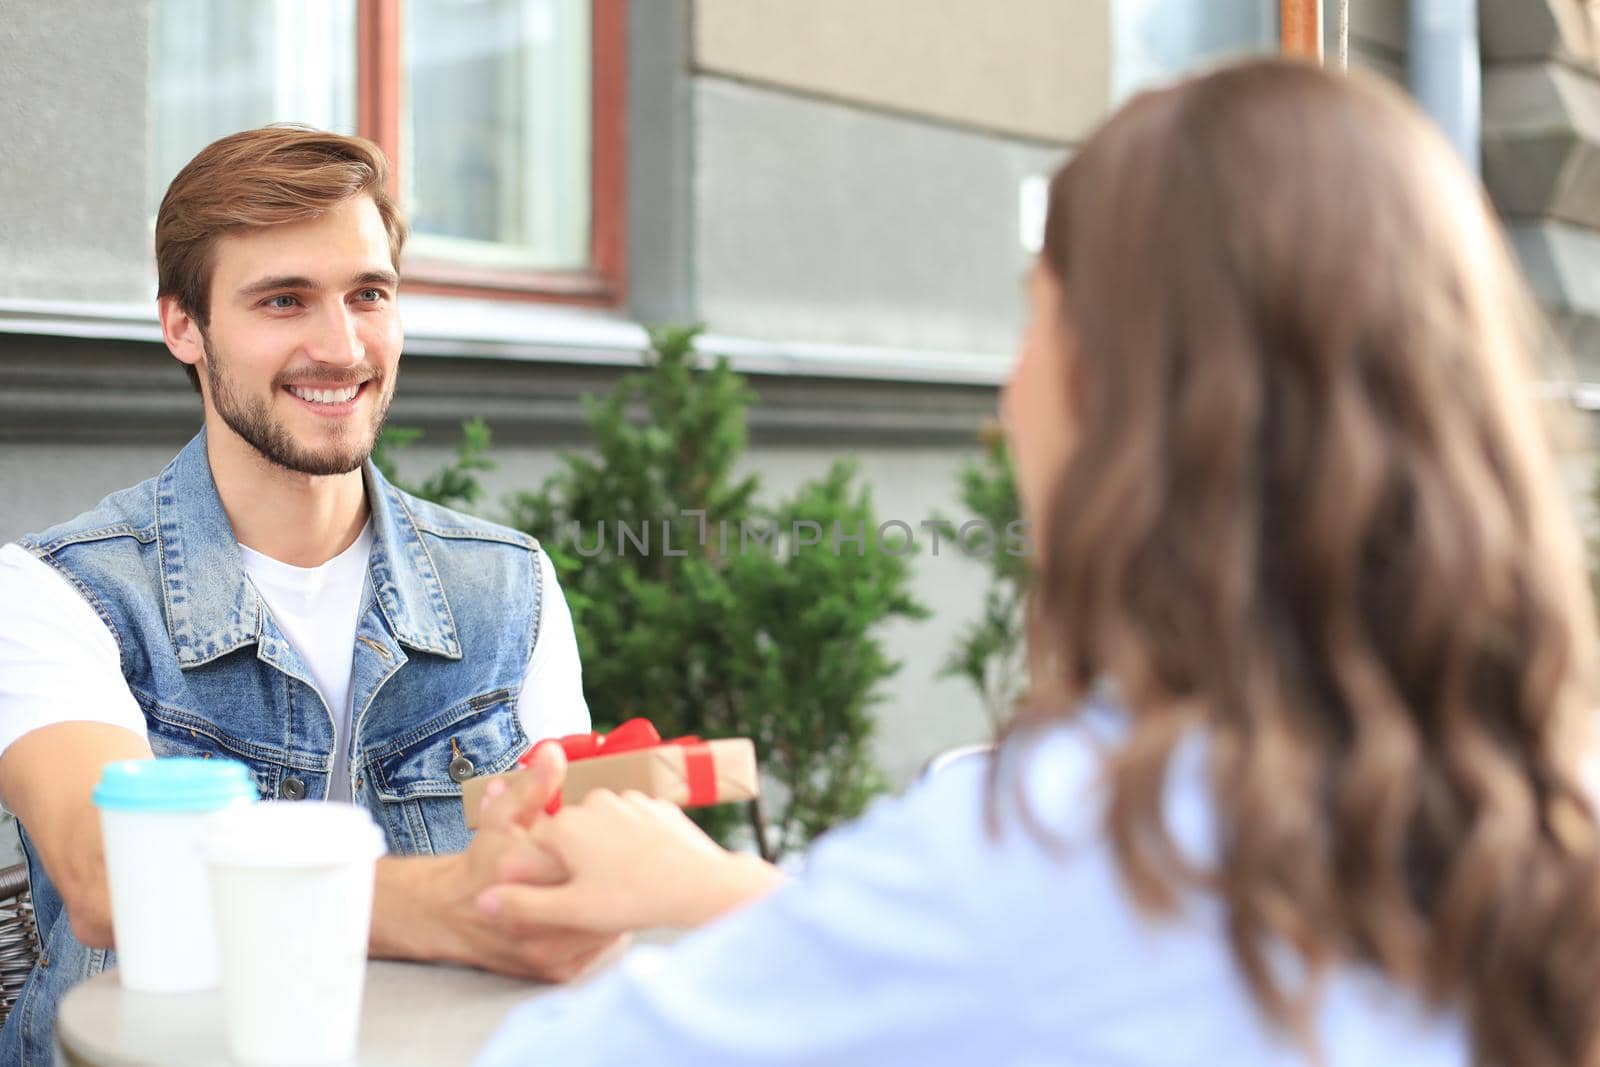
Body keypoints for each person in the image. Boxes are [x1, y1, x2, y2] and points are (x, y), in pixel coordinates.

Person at [471, 59, 1600, 1067]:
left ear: (1107, 393)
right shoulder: (1534, 806)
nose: (1007, 398)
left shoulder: (1062, 841)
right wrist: (736, 899)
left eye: (1034, 323)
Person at [0, 127, 614, 1066]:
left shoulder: (508, 584)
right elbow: (112, 879)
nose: (341, 346)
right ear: (182, 327)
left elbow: (574, 860)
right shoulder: (58, 591)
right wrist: (452, 905)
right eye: (283, 300)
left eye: (369, 294)